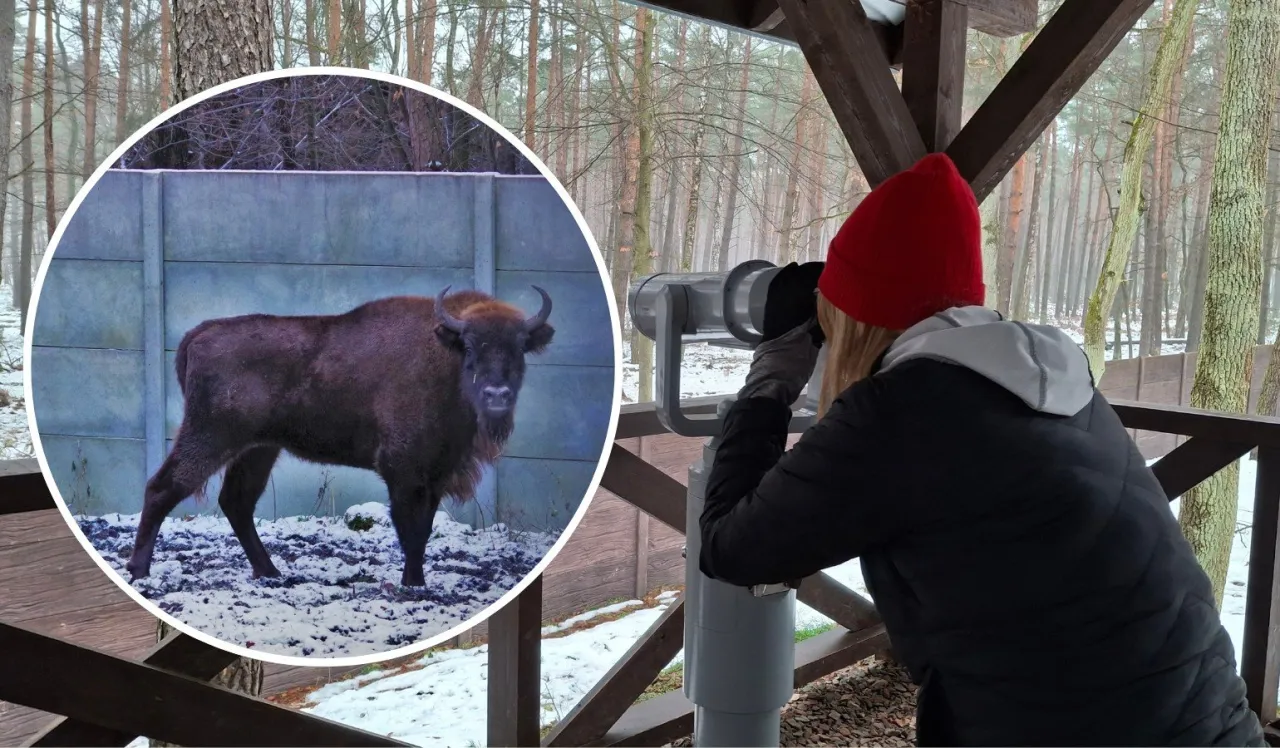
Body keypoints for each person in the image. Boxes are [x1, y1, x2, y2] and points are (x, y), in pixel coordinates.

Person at [699, 152, 1266, 747]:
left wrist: (769, 385)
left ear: (853, 319)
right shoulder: (1052, 383)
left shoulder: (901, 412)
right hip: (1206, 716)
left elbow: (733, 548)